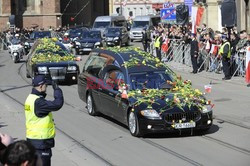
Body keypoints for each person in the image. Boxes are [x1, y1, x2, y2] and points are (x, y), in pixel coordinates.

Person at [24, 75, 64, 166]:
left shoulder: (30, 98)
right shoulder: (38, 102)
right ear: (41, 86)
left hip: (32, 140)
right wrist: (57, 89)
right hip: (41, 143)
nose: (46, 87)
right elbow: (57, 104)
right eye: (46, 85)